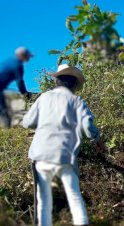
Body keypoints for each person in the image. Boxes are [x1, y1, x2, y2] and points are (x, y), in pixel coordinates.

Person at [23, 64, 104, 226]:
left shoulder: (43, 98)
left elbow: (27, 122)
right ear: (74, 84)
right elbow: (88, 126)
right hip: (65, 155)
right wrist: (97, 141)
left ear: (56, 82)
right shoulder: (77, 101)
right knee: (74, 196)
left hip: (40, 155)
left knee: (44, 200)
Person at [0, 47, 33, 128]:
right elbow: (20, 82)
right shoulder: (18, 65)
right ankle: (7, 131)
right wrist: (25, 94)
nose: (29, 58)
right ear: (22, 55)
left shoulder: (9, 61)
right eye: (28, 56)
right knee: (3, 111)